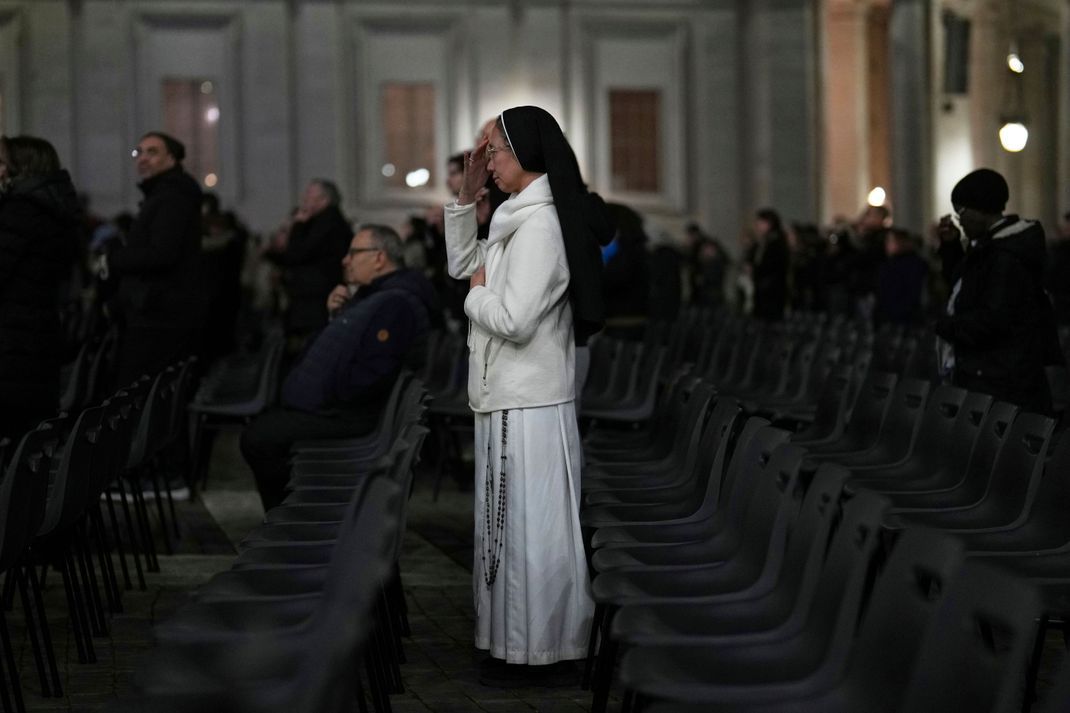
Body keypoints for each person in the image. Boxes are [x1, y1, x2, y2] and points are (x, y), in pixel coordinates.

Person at [444, 106, 611, 685]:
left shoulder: (541, 224)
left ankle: (544, 644)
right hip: (508, 391)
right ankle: (511, 639)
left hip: (531, 398)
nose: (486, 161)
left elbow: (512, 318)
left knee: (532, 526)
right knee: (504, 526)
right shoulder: (516, 214)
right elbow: (464, 264)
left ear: (525, 154)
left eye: (493, 151)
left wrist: (474, 295)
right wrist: (466, 199)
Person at [240, 224, 439, 510]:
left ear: (380, 258)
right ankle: (293, 515)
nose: (345, 260)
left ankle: (294, 518)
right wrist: (338, 317)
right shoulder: (379, 296)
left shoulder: (395, 303)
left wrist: (328, 396)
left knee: (259, 438)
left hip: (352, 415)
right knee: (264, 428)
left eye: (354, 252)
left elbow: (373, 371)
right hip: (343, 408)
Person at [934, 168, 1061, 414]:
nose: (959, 219)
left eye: (961, 211)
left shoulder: (1006, 255)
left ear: (980, 210)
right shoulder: (992, 248)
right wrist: (951, 249)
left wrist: (944, 326)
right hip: (993, 373)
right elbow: (966, 290)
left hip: (1002, 379)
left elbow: (993, 318)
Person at [105, 131, 205, 387]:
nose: (142, 158)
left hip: (158, 315)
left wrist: (114, 258)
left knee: (141, 393)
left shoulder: (171, 197)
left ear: (172, 159)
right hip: (159, 310)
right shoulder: (165, 194)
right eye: (139, 152)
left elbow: (162, 253)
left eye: (153, 152)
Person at [0, 135, 79, 442]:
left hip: (15, 341)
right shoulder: (51, 207)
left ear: (22, 167)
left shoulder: (21, 211)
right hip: (34, 336)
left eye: (3, 163)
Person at [264, 179, 352, 349]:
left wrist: (297, 225)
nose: (304, 199)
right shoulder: (327, 221)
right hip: (314, 297)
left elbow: (297, 253)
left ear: (324, 200)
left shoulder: (326, 223)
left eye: (310, 195)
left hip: (313, 300)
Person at [874, 227, 928, 326]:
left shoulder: (913, 264)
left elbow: (913, 291)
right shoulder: (888, 264)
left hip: (905, 316)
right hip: (890, 314)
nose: (887, 245)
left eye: (890, 241)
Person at [747, 208, 790, 321]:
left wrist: (758, 270)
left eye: (760, 223)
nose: (757, 226)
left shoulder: (776, 242)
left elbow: (774, 265)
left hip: (772, 290)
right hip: (762, 288)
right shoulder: (763, 242)